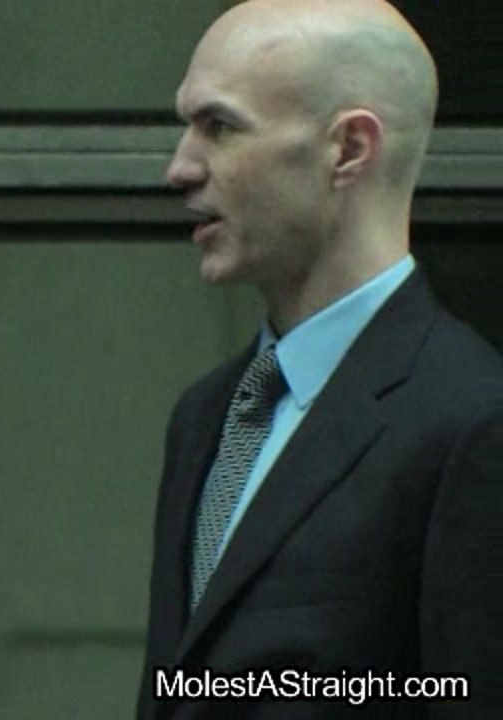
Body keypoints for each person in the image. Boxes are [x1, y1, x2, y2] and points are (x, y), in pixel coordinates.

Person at [139, 1, 503, 717]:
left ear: (348, 150)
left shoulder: (473, 424)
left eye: (220, 127)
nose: (180, 168)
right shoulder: (207, 415)